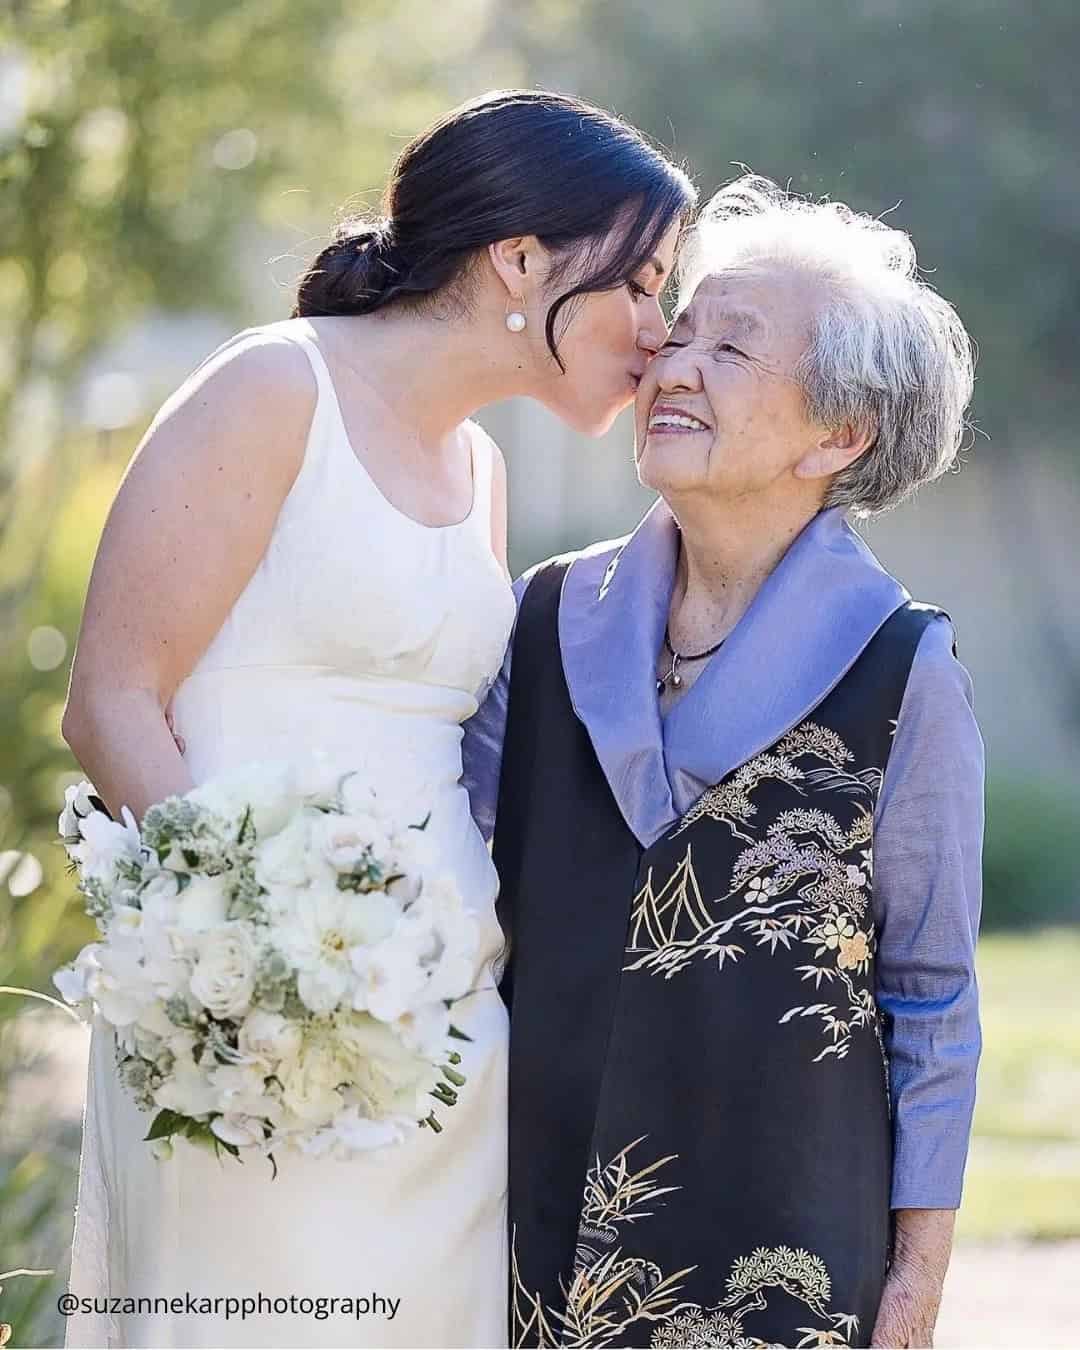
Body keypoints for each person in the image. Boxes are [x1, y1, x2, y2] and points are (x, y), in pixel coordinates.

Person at [60, 89, 694, 1348]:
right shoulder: (271, 388)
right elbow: (111, 700)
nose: (658, 331)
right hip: (243, 1030)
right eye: (641, 283)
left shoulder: (486, 477)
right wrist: (243, 976)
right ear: (521, 259)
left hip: (446, 1045)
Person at [464, 175, 983, 1349]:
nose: (674, 365)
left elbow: (931, 992)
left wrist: (917, 1281)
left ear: (840, 434)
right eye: (679, 330)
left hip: (783, 1254)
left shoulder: (907, 673)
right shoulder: (544, 620)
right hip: (523, 1236)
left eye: (733, 347)